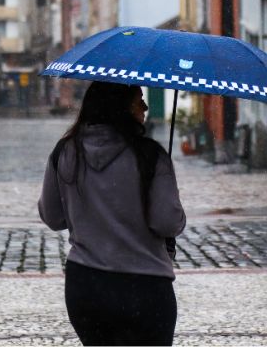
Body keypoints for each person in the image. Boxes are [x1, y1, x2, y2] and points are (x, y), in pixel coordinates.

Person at [38, 81, 186, 346]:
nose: (145, 106)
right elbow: (166, 222)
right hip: (145, 286)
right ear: (120, 107)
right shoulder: (150, 157)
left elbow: (53, 216)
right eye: (138, 99)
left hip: (87, 285)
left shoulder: (65, 151)